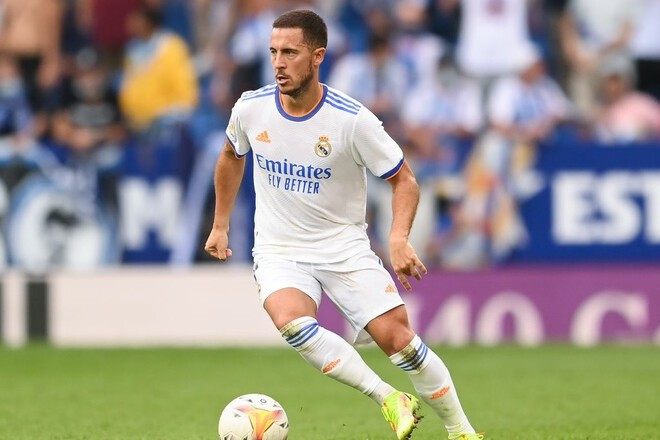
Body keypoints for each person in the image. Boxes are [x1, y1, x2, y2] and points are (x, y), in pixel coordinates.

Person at [204, 9, 483, 440]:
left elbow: (404, 180)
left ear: (318, 56)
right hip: (279, 249)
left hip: (343, 247)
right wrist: (220, 223)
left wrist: (398, 238)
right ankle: (388, 397)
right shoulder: (251, 108)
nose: (278, 63)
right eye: (273, 52)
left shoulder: (351, 120)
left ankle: (461, 431)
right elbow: (229, 155)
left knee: (400, 342)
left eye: (290, 53)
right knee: (292, 322)